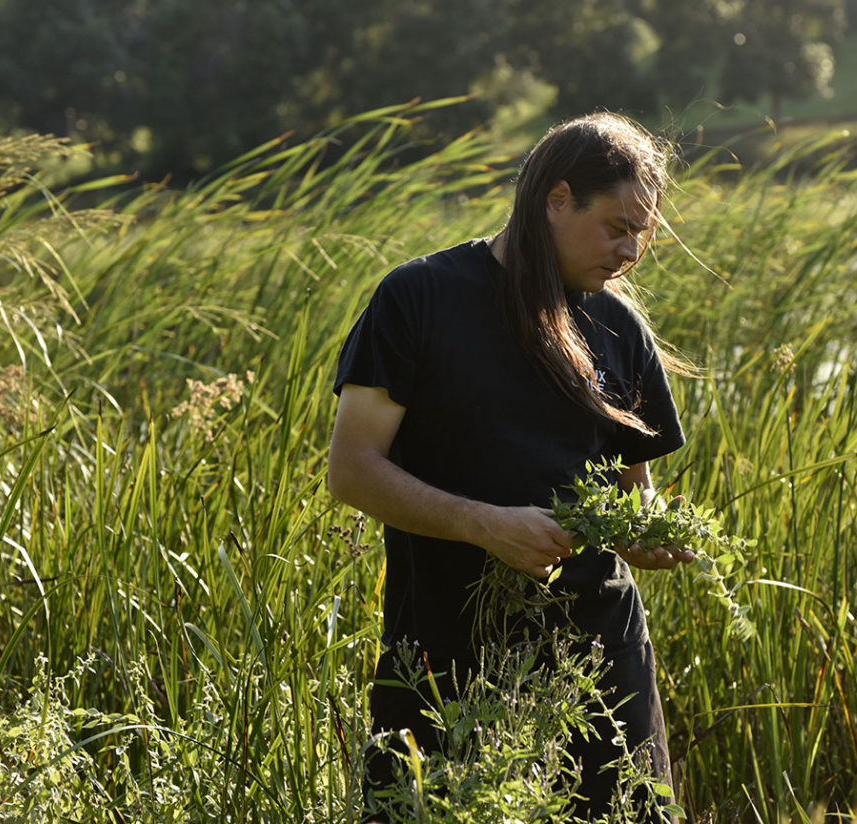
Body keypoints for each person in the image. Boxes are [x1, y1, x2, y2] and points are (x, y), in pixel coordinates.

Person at [327, 112, 696, 823]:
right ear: (556, 200)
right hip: (443, 650)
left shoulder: (619, 329)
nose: (632, 251)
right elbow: (351, 470)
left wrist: (646, 536)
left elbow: (633, 496)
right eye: (617, 226)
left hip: (597, 655)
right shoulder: (418, 299)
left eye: (642, 233)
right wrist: (483, 525)